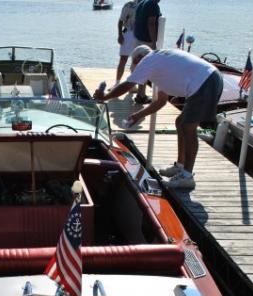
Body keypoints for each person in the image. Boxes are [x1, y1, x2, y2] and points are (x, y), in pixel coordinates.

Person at [94, 45, 223, 189]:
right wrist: (138, 115)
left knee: (188, 126)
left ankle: (187, 177)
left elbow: (128, 84)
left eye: (134, 63)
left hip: (205, 81)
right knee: (180, 122)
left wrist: (105, 97)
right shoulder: (158, 65)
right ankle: (180, 166)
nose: (135, 67)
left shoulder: (148, 60)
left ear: (138, 58)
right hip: (208, 78)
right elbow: (161, 101)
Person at [132, 0, 161, 105]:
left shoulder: (142, 3)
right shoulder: (153, 4)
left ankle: (139, 93)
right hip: (146, 41)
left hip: (137, 39)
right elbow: (151, 23)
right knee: (146, 68)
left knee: (138, 67)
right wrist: (154, 42)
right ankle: (141, 95)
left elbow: (135, 21)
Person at [114, 0, 139, 87]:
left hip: (140, 35)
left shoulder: (146, 4)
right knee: (123, 59)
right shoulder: (129, 5)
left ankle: (133, 84)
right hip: (128, 33)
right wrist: (120, 35)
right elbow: (120, 21)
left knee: (136, 60)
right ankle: (117, 83)